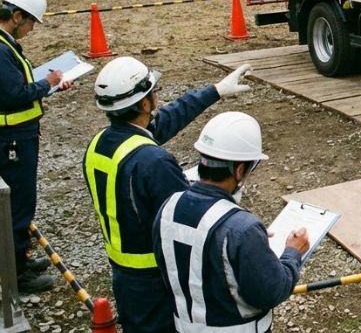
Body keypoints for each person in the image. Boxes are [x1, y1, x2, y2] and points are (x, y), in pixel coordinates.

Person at [84, 57, 252, 333]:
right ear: (144, 104)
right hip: (157, 279)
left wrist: (215, 91)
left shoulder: (99, 144)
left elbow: (164, 122)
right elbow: (187, 219)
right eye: (154, 91)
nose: (157, 97)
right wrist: (228, 200)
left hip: (124, 276)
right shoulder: (153, 161)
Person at [154, 112, 308, 332]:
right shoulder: (242, 229)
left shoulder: (168, 207)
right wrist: (293, 253)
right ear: (239, 169)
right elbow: (272, 292)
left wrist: (251, 243)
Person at [0, 0, 74, 294]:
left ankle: (19, 259)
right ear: (17, 17)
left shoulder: (7, 45)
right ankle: (17, 276)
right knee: (18, 204)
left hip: (18, 136)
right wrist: (47, 83)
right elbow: (14, 94)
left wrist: (48, 87)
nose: (32, 29)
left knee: (21, 202)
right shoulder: (1, 50)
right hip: (12, 140)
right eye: (31, 22)